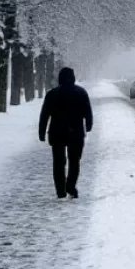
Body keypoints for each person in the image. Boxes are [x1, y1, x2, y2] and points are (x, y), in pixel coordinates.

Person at [38, 67, 94, 199]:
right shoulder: (81, 92)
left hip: (57, 132)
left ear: (60, 78)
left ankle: (60, 190)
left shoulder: (52, 94)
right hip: (76, 132)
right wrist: (89, 125)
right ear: (73, 77)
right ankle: (70, 186)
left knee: (58, 162)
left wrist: (41, 132)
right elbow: (88, 112)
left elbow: (44, 114)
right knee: (74, 161)